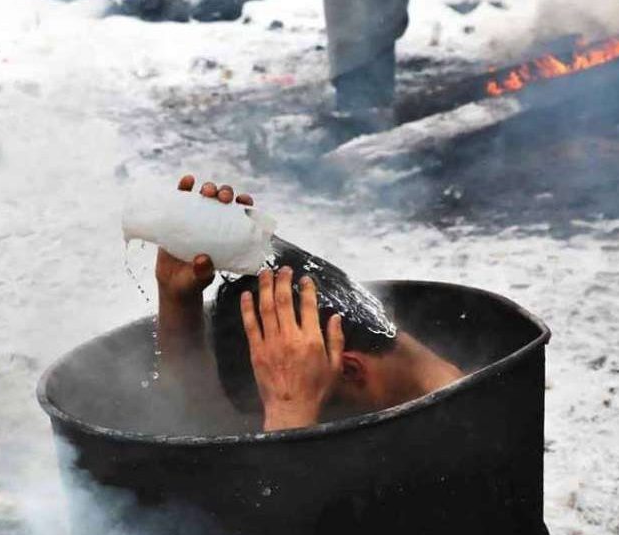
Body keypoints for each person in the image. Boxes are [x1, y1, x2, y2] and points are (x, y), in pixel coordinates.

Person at [153, 174, 462, 434]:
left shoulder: (460, 435)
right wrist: (178, 302)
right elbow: (207, 423)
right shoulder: (406, 386)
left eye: (271, 406)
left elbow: (269, 501)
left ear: (351, 369)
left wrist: (289, 416)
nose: (264, 426)